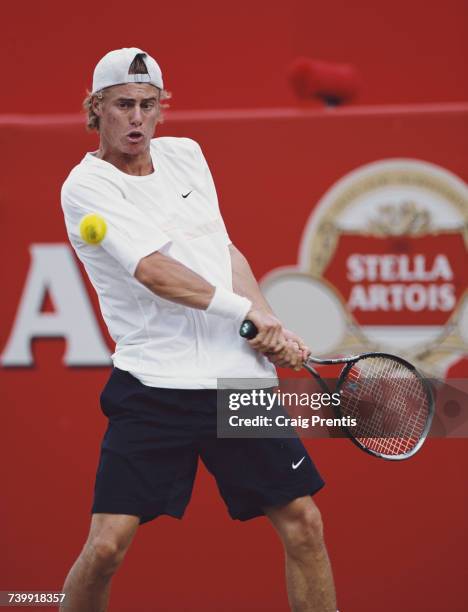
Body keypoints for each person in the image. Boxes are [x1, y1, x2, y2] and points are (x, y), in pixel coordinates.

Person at [60, 47, 337, 612]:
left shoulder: (187, 155)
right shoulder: (86, 188)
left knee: (304, 525)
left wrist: (268, 317)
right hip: (154, 385)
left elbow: (222, 250)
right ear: (96, 110)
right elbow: (153, 272)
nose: (136, 118)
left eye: (147, 104)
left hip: (236, 382)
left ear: (162, 108)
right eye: (122, 105)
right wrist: (244, 313)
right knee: (108, 546)